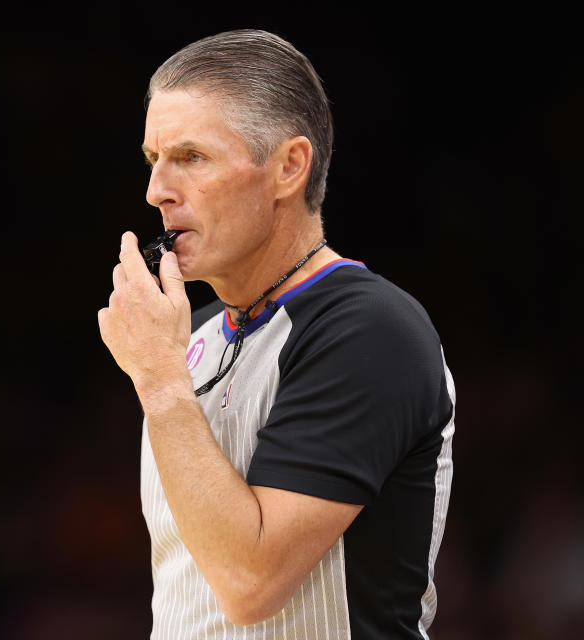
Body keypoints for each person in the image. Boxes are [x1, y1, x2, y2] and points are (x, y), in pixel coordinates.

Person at [97, 29, 455, 639]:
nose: (157, 191)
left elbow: (248, 583)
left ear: (289, 167)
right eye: (154, 160)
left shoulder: (369, 329)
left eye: (191, 157)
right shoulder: (190, 336)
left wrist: (159, 382)